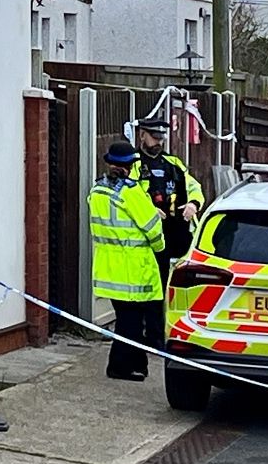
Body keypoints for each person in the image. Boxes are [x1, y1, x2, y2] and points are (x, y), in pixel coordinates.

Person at [88, 142, 165, 382]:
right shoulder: (131, 192)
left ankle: (137, 364)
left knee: (126, 318)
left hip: (108, 268)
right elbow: (152, 227)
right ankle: (119, 367)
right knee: (131, 322)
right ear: (130, 166)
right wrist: (161, 247)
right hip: (133, 269)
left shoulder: (97, 191)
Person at [130, 118, 205, 289]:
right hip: (152, 233)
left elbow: (194, 186)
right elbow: (131, 194)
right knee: (157, 282)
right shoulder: (134, 163)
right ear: (142, 135)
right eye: (155, 137)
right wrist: (149, 210)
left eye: (161, 138)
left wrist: (193, 204)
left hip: (179, 231)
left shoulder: (173, 163)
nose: (159, 142)